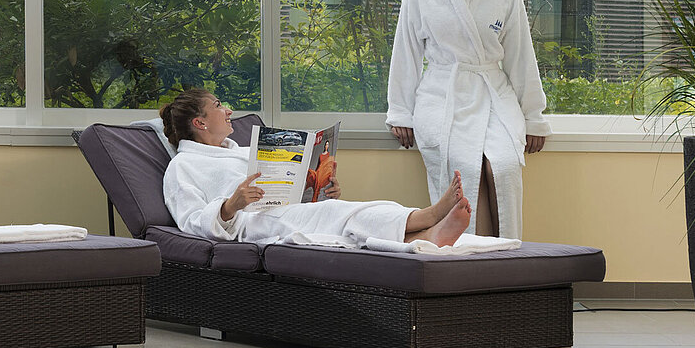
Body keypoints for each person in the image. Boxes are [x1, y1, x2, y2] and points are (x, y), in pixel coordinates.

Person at [386, 0, 550, 239]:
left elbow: (520, 56)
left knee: (502, 165)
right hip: (441, 96)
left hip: (492, 94)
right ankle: (465, 260)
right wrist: (401, 113)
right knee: (464, 167)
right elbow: (406, 53)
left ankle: (504, 256)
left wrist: (533, 116)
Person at [159, 88, 471, 249]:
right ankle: (427, 217)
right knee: (335, 217)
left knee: (338, 211)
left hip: (284, 211)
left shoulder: (243, 153)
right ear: (199, 123)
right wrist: (229, 206)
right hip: (252, 225)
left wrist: (321, 190)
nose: (228, 110)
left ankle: (422, 237)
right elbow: (191, 223)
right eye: (217, 106)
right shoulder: (183, 167)